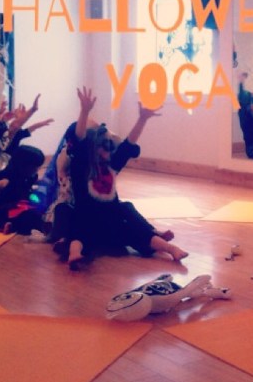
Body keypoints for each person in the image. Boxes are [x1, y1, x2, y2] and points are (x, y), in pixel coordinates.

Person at [62, 86, 188, 270]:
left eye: (109, 147)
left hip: (111, 222)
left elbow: (128, 145)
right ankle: (75, 254)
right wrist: (84, 111)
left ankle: (171, 249)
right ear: (92, 149)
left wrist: (142, 119)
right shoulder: (81, 166)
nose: (108, 151)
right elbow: (79, 140)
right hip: (88, 220)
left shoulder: (111, 166)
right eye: (103, 147)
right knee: (77, 232)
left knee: (137, 234)